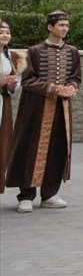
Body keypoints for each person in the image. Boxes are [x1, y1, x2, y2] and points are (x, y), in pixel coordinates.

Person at [5, 10, 81, 213]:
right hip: (35, 110)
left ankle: (49, 194)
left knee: (58, 149)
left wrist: (71, 87)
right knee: (30, 148)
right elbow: (28, 80)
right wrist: (55, 89)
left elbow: (75, 77)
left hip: (61, 109)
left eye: (67, 25)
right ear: (50, 27)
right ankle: (26, 196)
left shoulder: (72, 51)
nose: (64, 29)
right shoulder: (35, 51)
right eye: (61, 25)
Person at [0, 20, 23, 196]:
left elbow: (14, 82)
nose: (5, 35)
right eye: (1, 32)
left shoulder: (10, 56)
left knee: (4, 143)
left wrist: (11, 84)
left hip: (3, 103)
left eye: (7, 32)